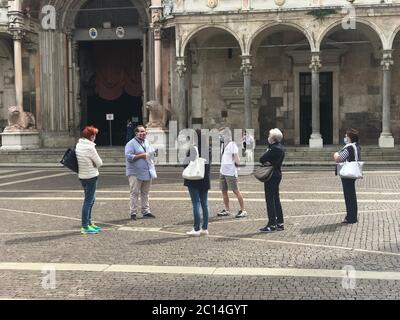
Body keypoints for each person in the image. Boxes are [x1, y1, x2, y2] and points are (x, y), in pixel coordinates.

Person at [125, 125, 157, 220]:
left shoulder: (147, 142)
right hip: (135, 173)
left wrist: (153, 153)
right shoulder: (130, 144)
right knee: (134, 193)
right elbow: (128, 157)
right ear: (136, 133)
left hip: (147, 171)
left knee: (145, 193)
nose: (144, 133)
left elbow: (150, 154)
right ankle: (133, 213)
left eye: (144, 132)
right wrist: (141, 156)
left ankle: (146, 211)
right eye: (141, 132)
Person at [183, 129, 212, 237]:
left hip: (193, 179)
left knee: (196, 203)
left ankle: (196, 228)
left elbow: (185, 164)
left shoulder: (192, 149)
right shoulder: (208, 149)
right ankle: (205, 228)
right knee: (204, 203)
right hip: (204, 179)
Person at [75, 125, 103, 234]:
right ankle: (85, 226)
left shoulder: (79, 145)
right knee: (88, 201)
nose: (95, 137)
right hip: (91, 176)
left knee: (91, 199)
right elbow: (100, 163)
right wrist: (93, 163)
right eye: (94, 135)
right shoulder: (90, 147)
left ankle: (89, 223)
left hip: (82, 176)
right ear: (91, 137)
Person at [259, 128, 285, 233]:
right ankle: (280, 222)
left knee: (270, 200)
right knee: (276, 199)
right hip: (276, 174)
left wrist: (267, 156)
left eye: (269, 136)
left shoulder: (274, 149)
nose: (268, 137)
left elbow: (262, 159)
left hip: (271, 175)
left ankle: (272, 224)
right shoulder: (280, 148)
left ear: (273, 138)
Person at [218, 127, 247, 218]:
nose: (220, 137)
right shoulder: (223, 145)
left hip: (230, 172)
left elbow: (237, 160)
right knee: (224, 191)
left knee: (235, 191)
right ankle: (227, 210)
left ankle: (243, 210)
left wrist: (236, 165)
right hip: (223, 171)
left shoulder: (232, 145)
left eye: (221, 135)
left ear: (227, 135)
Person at [334, 128, 361, 224]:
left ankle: (351, 217)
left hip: (347, 174)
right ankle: (352, 216)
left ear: (350, 137)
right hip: (353, 173)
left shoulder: (349, 147)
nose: (345, 137)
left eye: (346, 136)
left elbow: (339, 158)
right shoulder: (356, 146)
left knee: (349, 196)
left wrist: (335, 154)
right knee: (352, 195)